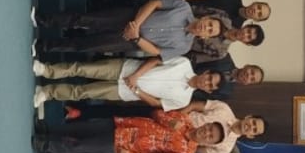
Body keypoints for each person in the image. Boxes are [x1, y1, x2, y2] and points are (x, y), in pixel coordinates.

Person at [33, 0, 232, 62]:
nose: (205, 28)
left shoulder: (184, 47)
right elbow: (155, 3)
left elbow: (157, 52)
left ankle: (45, 46)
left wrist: (136, 38)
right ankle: (44, 20)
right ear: (206, 17)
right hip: (130, 18)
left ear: (205, 38)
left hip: (130, 41)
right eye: (209, 24)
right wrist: (136, 24)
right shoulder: (184, 8)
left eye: (209, 31)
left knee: (88, 45)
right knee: (85, 19)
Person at [36, 111, 227, 153]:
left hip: (126, 145)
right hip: (125, 124)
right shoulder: (185, 119)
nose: (206, 133)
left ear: (208, 144)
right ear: (206, 124)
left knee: (82, 145)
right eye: (209, 129)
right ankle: (48, 130)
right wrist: (170, 121)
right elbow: (156, 113)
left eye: (210, 137)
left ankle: (46, 146)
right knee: (82, 128)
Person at [32, 56, 223, 111]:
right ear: (206, 72)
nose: (206, 82)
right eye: (209, 78)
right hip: (125, 68)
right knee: (81, 68)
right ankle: (46, 70)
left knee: (82, 92)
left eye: (210, 86)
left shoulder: (184, 100)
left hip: (125, 92)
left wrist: (137, 91)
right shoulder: (184, 63)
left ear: (208, 91)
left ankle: (47, 93)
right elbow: (156, 60)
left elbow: (157, 103)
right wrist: (136, 76)